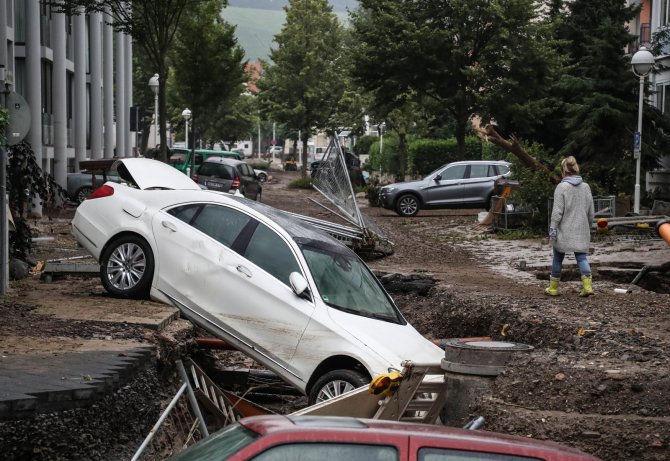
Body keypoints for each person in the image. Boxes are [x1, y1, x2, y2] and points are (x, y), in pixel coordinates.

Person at [545, 156, 595, 297]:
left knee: (557, 258)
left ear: (564, 172)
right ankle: (587, 287)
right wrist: (588, 226)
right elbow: (591, 213)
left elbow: (557, 213)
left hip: (564, 231)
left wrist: (553, 230)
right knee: (582, 258)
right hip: (581, 230)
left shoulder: (561, 187)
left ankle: (553, 288)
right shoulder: (586, 187)